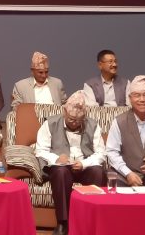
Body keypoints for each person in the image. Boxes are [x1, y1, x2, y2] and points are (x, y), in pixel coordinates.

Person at [35, 91, 106, 235]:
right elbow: (40, 150)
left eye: (78, 120)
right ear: (64, 111)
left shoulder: (93, 125)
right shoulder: (50, 123)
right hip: (62, 167)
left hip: (84, 165)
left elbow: (101, 153)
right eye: (71, 119)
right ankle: (62, 223)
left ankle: (90, 222)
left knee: (98, 172)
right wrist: (56, 159)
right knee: (60, 172)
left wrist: (84, 164)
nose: (74, 123)